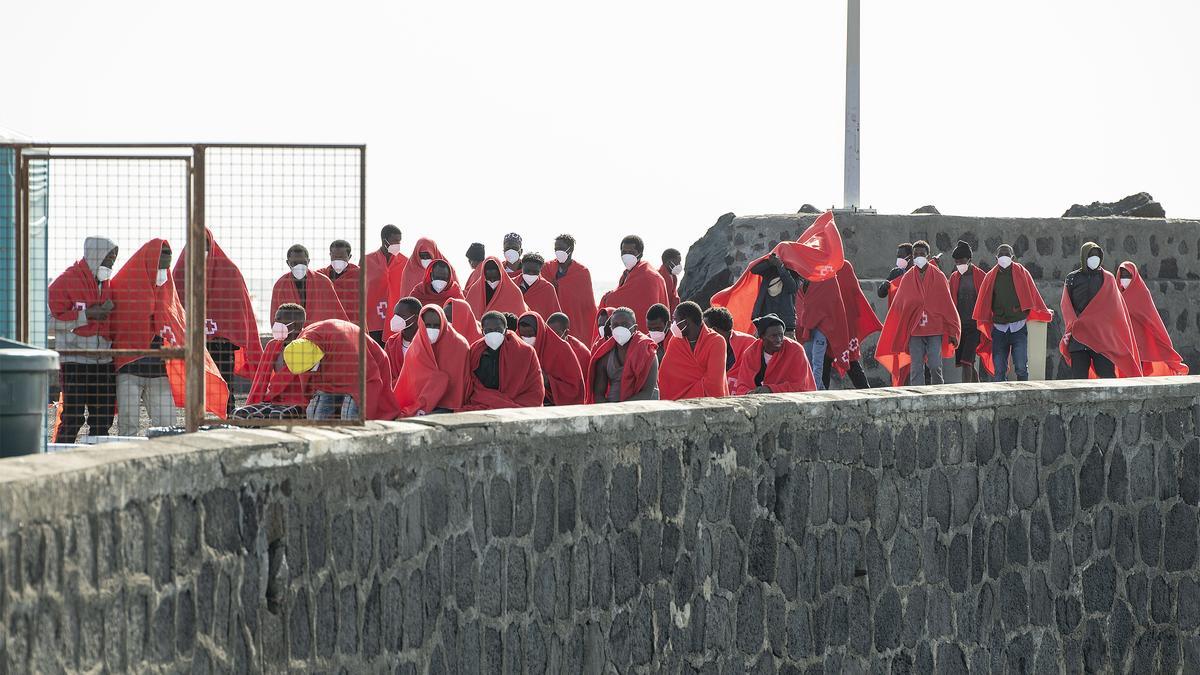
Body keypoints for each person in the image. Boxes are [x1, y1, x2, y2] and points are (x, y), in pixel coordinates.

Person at [110, 239, 228, 434]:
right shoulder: (122, 286)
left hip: (158, 370)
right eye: (160, 266)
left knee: (168, 424)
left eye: (167, 267)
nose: (164, 272)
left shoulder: (167, 290)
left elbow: (177, 324)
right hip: (128, 369)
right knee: (128, 425)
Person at [174, 229, 265, 415]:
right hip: (193, 345)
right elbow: (174, 306)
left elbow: (240, 309)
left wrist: (225, 331)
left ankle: (228, 417)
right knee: (194, 385)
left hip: (221, 345)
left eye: (205, 245)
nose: (201, 250)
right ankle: (196, 419)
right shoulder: (181, 271)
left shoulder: (229, 271)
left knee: (225, 384)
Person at [48, 236, 118, 441]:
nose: (111, 264)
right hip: (74, 360)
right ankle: (60, 461)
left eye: (114, 259)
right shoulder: (65, 281)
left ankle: (96, 461)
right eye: (108, 259)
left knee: (103, 419)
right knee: (72, 417)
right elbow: (47, 322)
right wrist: (85, 316)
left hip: (103, 361)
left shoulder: (108, 285)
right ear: (95, 256)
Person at [875, 240, 960, 386]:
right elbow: (899, 306)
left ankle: (939, 393)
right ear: (912, 256)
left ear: (928, 256)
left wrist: (953, 330)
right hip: (914, 330)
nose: (918, 257)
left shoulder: (938, 276)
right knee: (916, 368)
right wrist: (898, 329)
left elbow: (947, 305)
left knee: (934, 365)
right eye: (916, 254)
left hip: (934, 328)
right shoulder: (907, 278)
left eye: (922, 254)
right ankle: (917, 397)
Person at [283, 318, 400, 420]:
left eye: (310, 369)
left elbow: (369, 380)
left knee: (350, 415)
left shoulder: (348, 352)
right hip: (332, 370)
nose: (308, 373)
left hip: (366, 367)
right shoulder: (300, 344)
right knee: (315, 413)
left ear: (320, 357)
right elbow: (309, 385)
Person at [971, 244, 1052, 382]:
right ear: (996, 257)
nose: (1004, 257)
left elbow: (1033, 296)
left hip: (1018, 327)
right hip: (999, 328)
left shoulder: (1022, 273)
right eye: (1001, 254)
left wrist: (1042, 311)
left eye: (1007, 254)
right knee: (999, 370)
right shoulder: (990, 277)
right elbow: (984, 302)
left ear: (1013, 257)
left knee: (1021, 366)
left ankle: (1024, 397)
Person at [1059, 242, 1141, 379]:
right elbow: (1066, 305)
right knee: (1079, 381)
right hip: (1079, 338)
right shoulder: (1072, 278)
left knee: (1107, 377)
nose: (1094, 258)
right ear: (1084, 256)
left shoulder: (1107, 278)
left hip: (1102, 338)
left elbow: (1115, 309)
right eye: (1091, 255)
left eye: (1097, 255)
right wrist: (1074, 325)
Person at [393, 304, 473, 416]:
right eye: (427, 325)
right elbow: (410, 382)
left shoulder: (460, 345)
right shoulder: (416, 346)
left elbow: (461, 384)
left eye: (436, 325)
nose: (432, 329)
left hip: (450, 408)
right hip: (421, 406)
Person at [234, 303, 308, 420]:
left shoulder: (307, 346)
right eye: (275, 321)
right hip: (275, 399)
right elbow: (261, 379)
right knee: (240, 414)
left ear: (297, 324)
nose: (275, 325)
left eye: (279, 321)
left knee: (277, 416)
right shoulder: (273, 345)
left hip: (299, 402)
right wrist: (254, 402)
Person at [462, 311, 545, 410]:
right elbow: (469, 384)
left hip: (518, 404)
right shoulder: (475, 351)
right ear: (482, 331)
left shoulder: (525, 352)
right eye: (488, 330)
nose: (493, 334)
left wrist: (503, 403)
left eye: (498, 330)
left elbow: (535, 389)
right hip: (482, 402)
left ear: (505, 330)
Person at [1116, 261, 1188, 376]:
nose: (1125, 279)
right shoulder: (1116, 295)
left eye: (1128, 276)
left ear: (1134, 276)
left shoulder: (1142, 293)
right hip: (1124, 340)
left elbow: (1152, 318)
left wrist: (1162, 339)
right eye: (1122, 276)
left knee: (1139, 371)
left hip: (1140, 340)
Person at [587, 306, 660, 402]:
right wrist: (610, 412)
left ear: (635, 328)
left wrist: (621, 410)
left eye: (624, 325)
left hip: (644, 409)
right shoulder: (605, 354)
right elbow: (598, 394)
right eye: (615, 325)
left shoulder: (647, 351)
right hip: (612, 410)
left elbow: (646, 393)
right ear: (611, 328)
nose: (619, 328)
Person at [729, 314, 816, 394]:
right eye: (773, 336)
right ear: (762, 337)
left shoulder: (796, 350)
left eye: (781, 335)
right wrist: (749, 393)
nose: (779, 339)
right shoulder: (750, 353)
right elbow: (742, 385)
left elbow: (801, 386)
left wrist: (770, 389)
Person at [660, 301, 729, 400]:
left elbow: (714, 383)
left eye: (675, 320)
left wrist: (688, 393)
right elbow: (665, 376)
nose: (673, 324)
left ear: (686, 322)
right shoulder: (675, 341)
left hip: (709, 404)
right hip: (677, 404)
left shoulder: (717, 341)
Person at [598, 235, 669, 328]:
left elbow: (623, 299)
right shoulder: (627, 274)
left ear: (640, 253)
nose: (626, 255)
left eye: (631, 252)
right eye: (624, 252)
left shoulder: (650, 277)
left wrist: (607, 297)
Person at [828, 260, 879, 389]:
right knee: (824, 357)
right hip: (828, 321)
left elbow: (853, 293)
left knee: (850, 357)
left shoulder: (845, 266)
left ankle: (865, 391)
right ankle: (818, 393)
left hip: (846, 320)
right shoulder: (821, 266)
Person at [269, 244, 348, 325]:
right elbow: (275, 319)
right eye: (295, 263)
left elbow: (338, 314)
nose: (299, 266)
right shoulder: (280, 286)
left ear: (308, 261)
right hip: (292, 334)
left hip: (319, 334)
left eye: (303, 263)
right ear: (288, 263)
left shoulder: (323, 282)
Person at [794, 276, 849, 391]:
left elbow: (833, 303)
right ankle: (819, 389)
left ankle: (814, 390)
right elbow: (805, 302)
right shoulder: (804, 279)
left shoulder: (829, 278)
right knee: (808, 360)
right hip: (808, 326)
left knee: (817, 361)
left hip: (822, 327)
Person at [518, 311, 586, 405]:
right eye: (522, 335)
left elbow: (575, 388)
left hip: (553, 405)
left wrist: (548, 381)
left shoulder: (561, 349)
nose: (526, 338)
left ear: (540, 332)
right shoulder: (517, 349)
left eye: (530, 334)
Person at [541, 234, 599, 343]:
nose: (558, 251)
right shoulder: (547, 268)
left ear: (570, 249)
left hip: (574, 319)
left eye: (561, 248)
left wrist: (561, 287)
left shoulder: (582, 272)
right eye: (556, 249)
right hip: (551, 318)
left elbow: (588, 303)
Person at [946, 240, 990, 383]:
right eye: (956, 262)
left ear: (970, 259)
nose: (959, 265)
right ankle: (978, 388)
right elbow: (950, 303)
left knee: (966, 362)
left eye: (962, 261)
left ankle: (967, 393)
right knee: (967, 362)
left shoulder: (981, 277)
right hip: (960, 327)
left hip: (975, 326)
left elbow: (988, 300)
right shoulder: (953, 278)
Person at [388, 237, 448, 337]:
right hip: (415, 323)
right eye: (422, 256)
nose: (425, 259)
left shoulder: (446, 270)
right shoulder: (409, 271)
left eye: (427, 255)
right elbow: (405, 300)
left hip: (441, 324)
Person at [363, 225, 406, 345]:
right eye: (395, 241)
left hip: (397, 320)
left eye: (399, 241)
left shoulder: (405, 262)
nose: (398, 244)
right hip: (372, 323)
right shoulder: (366, 261)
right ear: (384, 241)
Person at [702, 307, 756, 389]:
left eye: (705, 330)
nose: (702, 334)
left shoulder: (750, 344)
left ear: (714, 330)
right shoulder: (702, 347)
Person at [749, 253, 800, 336]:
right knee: (763, 348)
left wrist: (781, 267)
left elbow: (792, 288)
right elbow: (753, 269)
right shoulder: (769, 270)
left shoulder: (795, 271)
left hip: (786, 325)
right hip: (765, 322)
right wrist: (770, 262)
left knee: (787, 348)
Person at [318, 239, 361, 326]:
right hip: (328, 323)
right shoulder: (320, 275)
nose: (338, 260)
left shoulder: (360, 275)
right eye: (335, 257)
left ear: (349, 256)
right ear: (330, 255)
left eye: (341, 257)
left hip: (353, 323)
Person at [385, 297, 423, 385]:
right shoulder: (391, 343)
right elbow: (386, 373)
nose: (396, 319)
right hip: (396, 393)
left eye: (401, 316)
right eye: (395, 315)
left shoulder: (426, 341)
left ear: (415, 318)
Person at [517, 253, 562, 320]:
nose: (531, 274)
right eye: (527, 271)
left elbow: (554, 317)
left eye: (535, 272)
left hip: (538, 328)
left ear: (540, 270)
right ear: (522, 267)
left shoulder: (547, 288)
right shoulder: (512, 284)